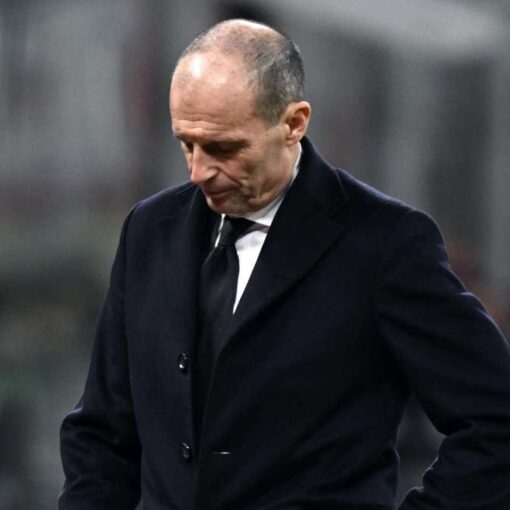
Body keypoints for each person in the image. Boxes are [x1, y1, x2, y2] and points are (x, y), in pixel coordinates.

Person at [59, 19, 510, 510]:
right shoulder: (149, 230)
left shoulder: (384, 243)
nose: (199, 171)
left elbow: (495, 418)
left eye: (224, 148)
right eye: (186, 143)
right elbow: (103, 435)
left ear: (294, 123)